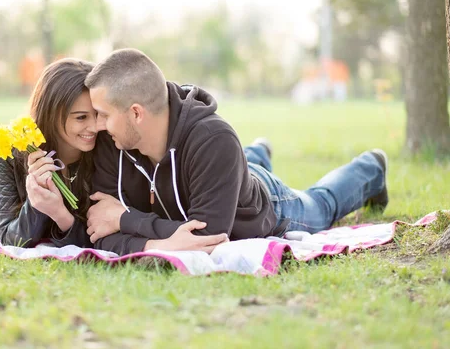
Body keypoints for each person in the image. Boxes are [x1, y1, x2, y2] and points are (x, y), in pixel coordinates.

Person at [84, 48, 388, 255]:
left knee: (321, 205)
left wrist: (125, 221)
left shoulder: (213, 140)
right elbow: (100, 230)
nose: (97, 125)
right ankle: (255, 153)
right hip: (223, 177)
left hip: (264, 205)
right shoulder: (115, 141)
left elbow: (208, 239)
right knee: (236, 163)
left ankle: (371, 166)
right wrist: (156, 245)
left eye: (103, 114)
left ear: (136, 113)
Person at [0, 58, 98, 248]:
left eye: (98, 114)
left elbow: (104, 240)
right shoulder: (12, 151)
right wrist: (37, 203)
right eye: (81, 117)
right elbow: (11, 238)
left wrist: (59, 214)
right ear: (51, 113)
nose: (95, 127)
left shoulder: (107, 152)